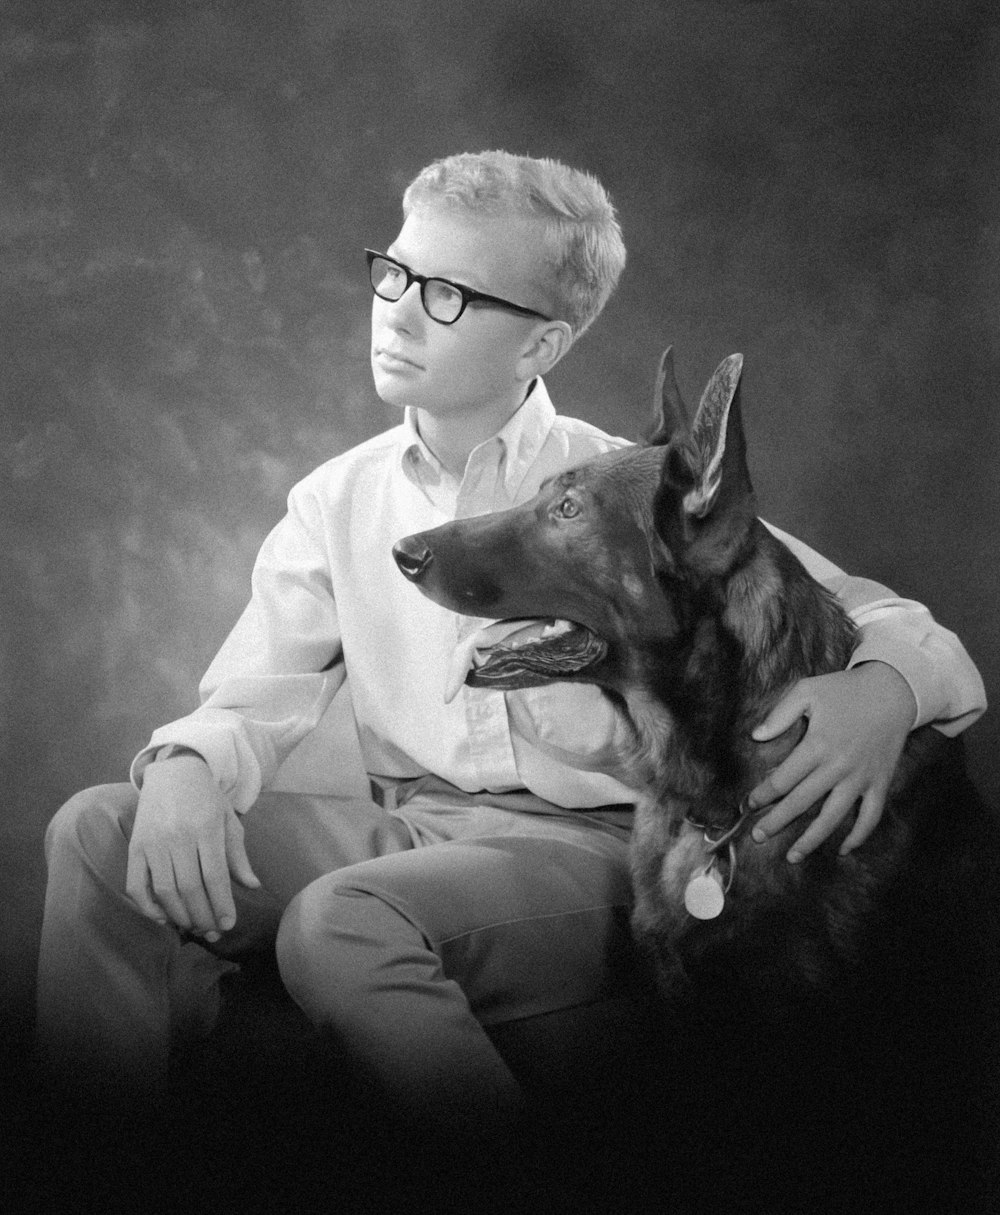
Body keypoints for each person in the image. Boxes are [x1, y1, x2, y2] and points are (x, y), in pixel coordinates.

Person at [37, 151, 986, 1153]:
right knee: (98, 830)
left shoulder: (622, 490)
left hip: (581, 852)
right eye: (393, 273)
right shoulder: (335, 501)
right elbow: (253, 692)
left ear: (543, 342)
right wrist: (189, 761)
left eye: (445, 294)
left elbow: (881, 615)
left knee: (343, 920)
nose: (396, 311)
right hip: (407, 829)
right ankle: (91, 1166)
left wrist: (885, 690)